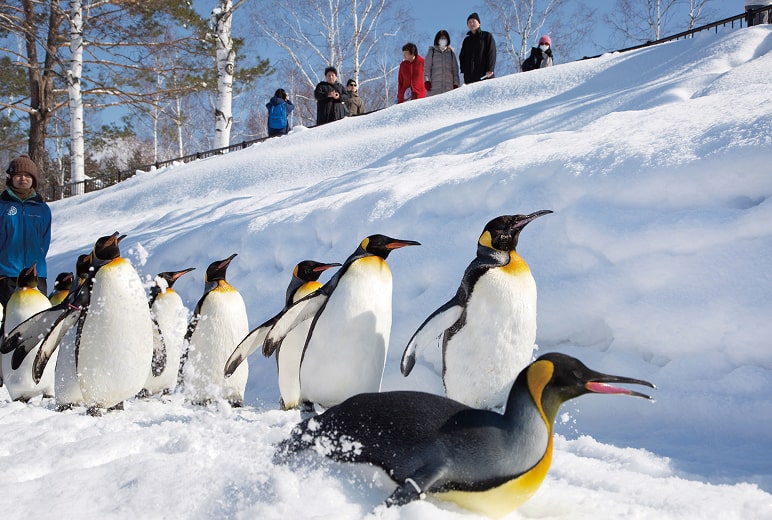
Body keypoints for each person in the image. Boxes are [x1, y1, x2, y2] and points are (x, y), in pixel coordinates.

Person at [0, 154, 52, 308]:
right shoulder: (2, 206)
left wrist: (37, 260)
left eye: (27, 175)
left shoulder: (43, 209)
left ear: (33, 180)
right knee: (9, 325)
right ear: (11, 178)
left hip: (36, 275)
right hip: (7, 275)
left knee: (37, 324)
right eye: (18, 175)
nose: (23, 179)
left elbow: (45, 240)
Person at [459, 12, 496, 85]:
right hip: (469, 77)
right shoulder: (467, 40)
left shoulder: (487, 36)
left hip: (484, 75)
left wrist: (490, 69)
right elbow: (462, 56)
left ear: (479, 23)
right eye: (469, 22)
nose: (472, 23)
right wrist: (464, 71)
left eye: (474, 21)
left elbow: (491, 52)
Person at [424, 30, 460, 96]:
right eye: (441, 38)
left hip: (449, 89)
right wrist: (427, 81)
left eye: (444, 38)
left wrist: (456, 84)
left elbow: (455, 71)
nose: (443, 40)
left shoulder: (451, 53)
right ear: (437, 39)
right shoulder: (432, 52)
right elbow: (427, 68)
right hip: (434, 89)